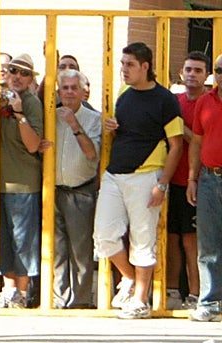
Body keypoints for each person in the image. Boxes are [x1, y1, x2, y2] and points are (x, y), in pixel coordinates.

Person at [93, 41, 183, 320]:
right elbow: (122, 129)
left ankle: (141, 301)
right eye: (122, 64)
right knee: (103, 236)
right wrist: (111, 126)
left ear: (146, 66)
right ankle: (130, 279)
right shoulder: (123, 93)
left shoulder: (165, 99)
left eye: (129, 64)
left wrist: (162, 183)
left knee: (143, 240)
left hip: (147, 175)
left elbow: (176, 144)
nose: (124, 69)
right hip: (114, 174)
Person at [0, 52, 44, 309]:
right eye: (14, 71)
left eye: (24, 73)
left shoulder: (32, 103)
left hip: (23, 182)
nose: (18, 77)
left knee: (22, 241)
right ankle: (8, 289)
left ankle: (22, 293)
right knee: (1, 239)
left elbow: (34, 145)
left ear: (30, 79)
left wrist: (18, 112)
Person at [52, 68, 101, 309]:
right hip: (54, 190)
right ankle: (59, 298)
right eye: (65, 88)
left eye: (74, 88)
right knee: (56, 249)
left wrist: (74, 124)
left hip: (81, 191)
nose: (69, 92)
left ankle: (81, 300)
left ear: (84, 91)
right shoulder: (50, 115)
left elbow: (92, 154)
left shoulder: (94, 119)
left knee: (81, 250)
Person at [166, 52, 209, 307]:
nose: (192, 74)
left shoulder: (210, 102)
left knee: (191, 241)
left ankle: (195, 293)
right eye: (189, 69)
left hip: (199, 181)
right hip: (172, 179)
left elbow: (204, 142)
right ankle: (171, 291)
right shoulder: (174, 101)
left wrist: (185, 131)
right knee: (171, 237)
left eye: (198, 70)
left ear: (206, 76)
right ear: (182, 73)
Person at [186, 51, 222, 322]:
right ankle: (209, 302)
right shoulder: (205, 102)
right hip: (209, 178)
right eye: (220, 70)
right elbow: (196, 142)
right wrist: (192, 178)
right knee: (208, 244)